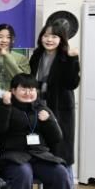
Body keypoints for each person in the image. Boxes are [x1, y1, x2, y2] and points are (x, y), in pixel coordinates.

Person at [0, 74, 82, 189]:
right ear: (13, 90)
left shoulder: (42, 108)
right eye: (23, 89)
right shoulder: (5, 105)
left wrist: (48, 121)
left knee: (60, 172)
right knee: (24, 173)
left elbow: (57, 138)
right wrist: (5, 106)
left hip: (39, 156)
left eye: (32, 89)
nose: (28, 92)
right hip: (13, 156)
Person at [29, 21, 80, 180]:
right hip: (39, 107)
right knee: (43, 150)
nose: (49, 40)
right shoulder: (37, 55)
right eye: (46, 36)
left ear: (61, 39)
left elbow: (72, 84)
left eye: (54, 36)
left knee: (62, 152)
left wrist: (73, 60)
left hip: (60, 109)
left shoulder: (67, 56)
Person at [0, 24, 30, 116]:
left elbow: (25, 81)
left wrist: (7, 56)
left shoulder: (21, 59)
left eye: (8, 37)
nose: (4, 40)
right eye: (0, 37)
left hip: (15, 102)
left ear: (13, 40)